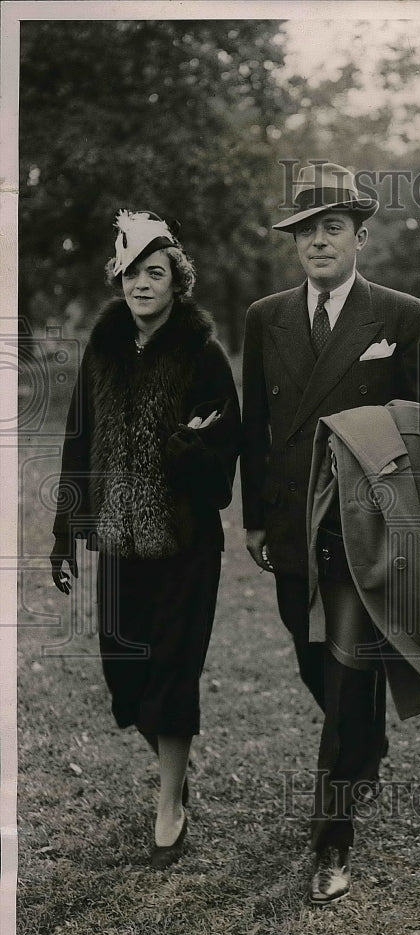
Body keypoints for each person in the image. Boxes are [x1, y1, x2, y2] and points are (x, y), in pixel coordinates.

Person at [241, 162, 420, 903]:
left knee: (350, 670)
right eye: (305, 231)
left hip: (368, 533)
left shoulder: (399, 314)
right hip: (293, 525)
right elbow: (255, 427)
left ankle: (332, 840)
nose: (318, 242)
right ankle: (365, 743)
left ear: (361, 235)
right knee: (316, 670)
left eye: (332, 227)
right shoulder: (266, 317)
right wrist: (257, 517)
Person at [50, 210, 240, 869]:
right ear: (119, 277)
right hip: (118, 544)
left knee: (172, 674)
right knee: (126, 680)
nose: (141, 283)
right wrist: (65, 531)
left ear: (176, 280)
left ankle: (169, 807)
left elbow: (222, 472)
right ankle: (172, 766)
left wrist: (187, 447)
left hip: (187, 545)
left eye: (155, 272)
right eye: (132, 272)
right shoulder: (101, 350)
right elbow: (77, 441)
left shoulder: (204, 354)